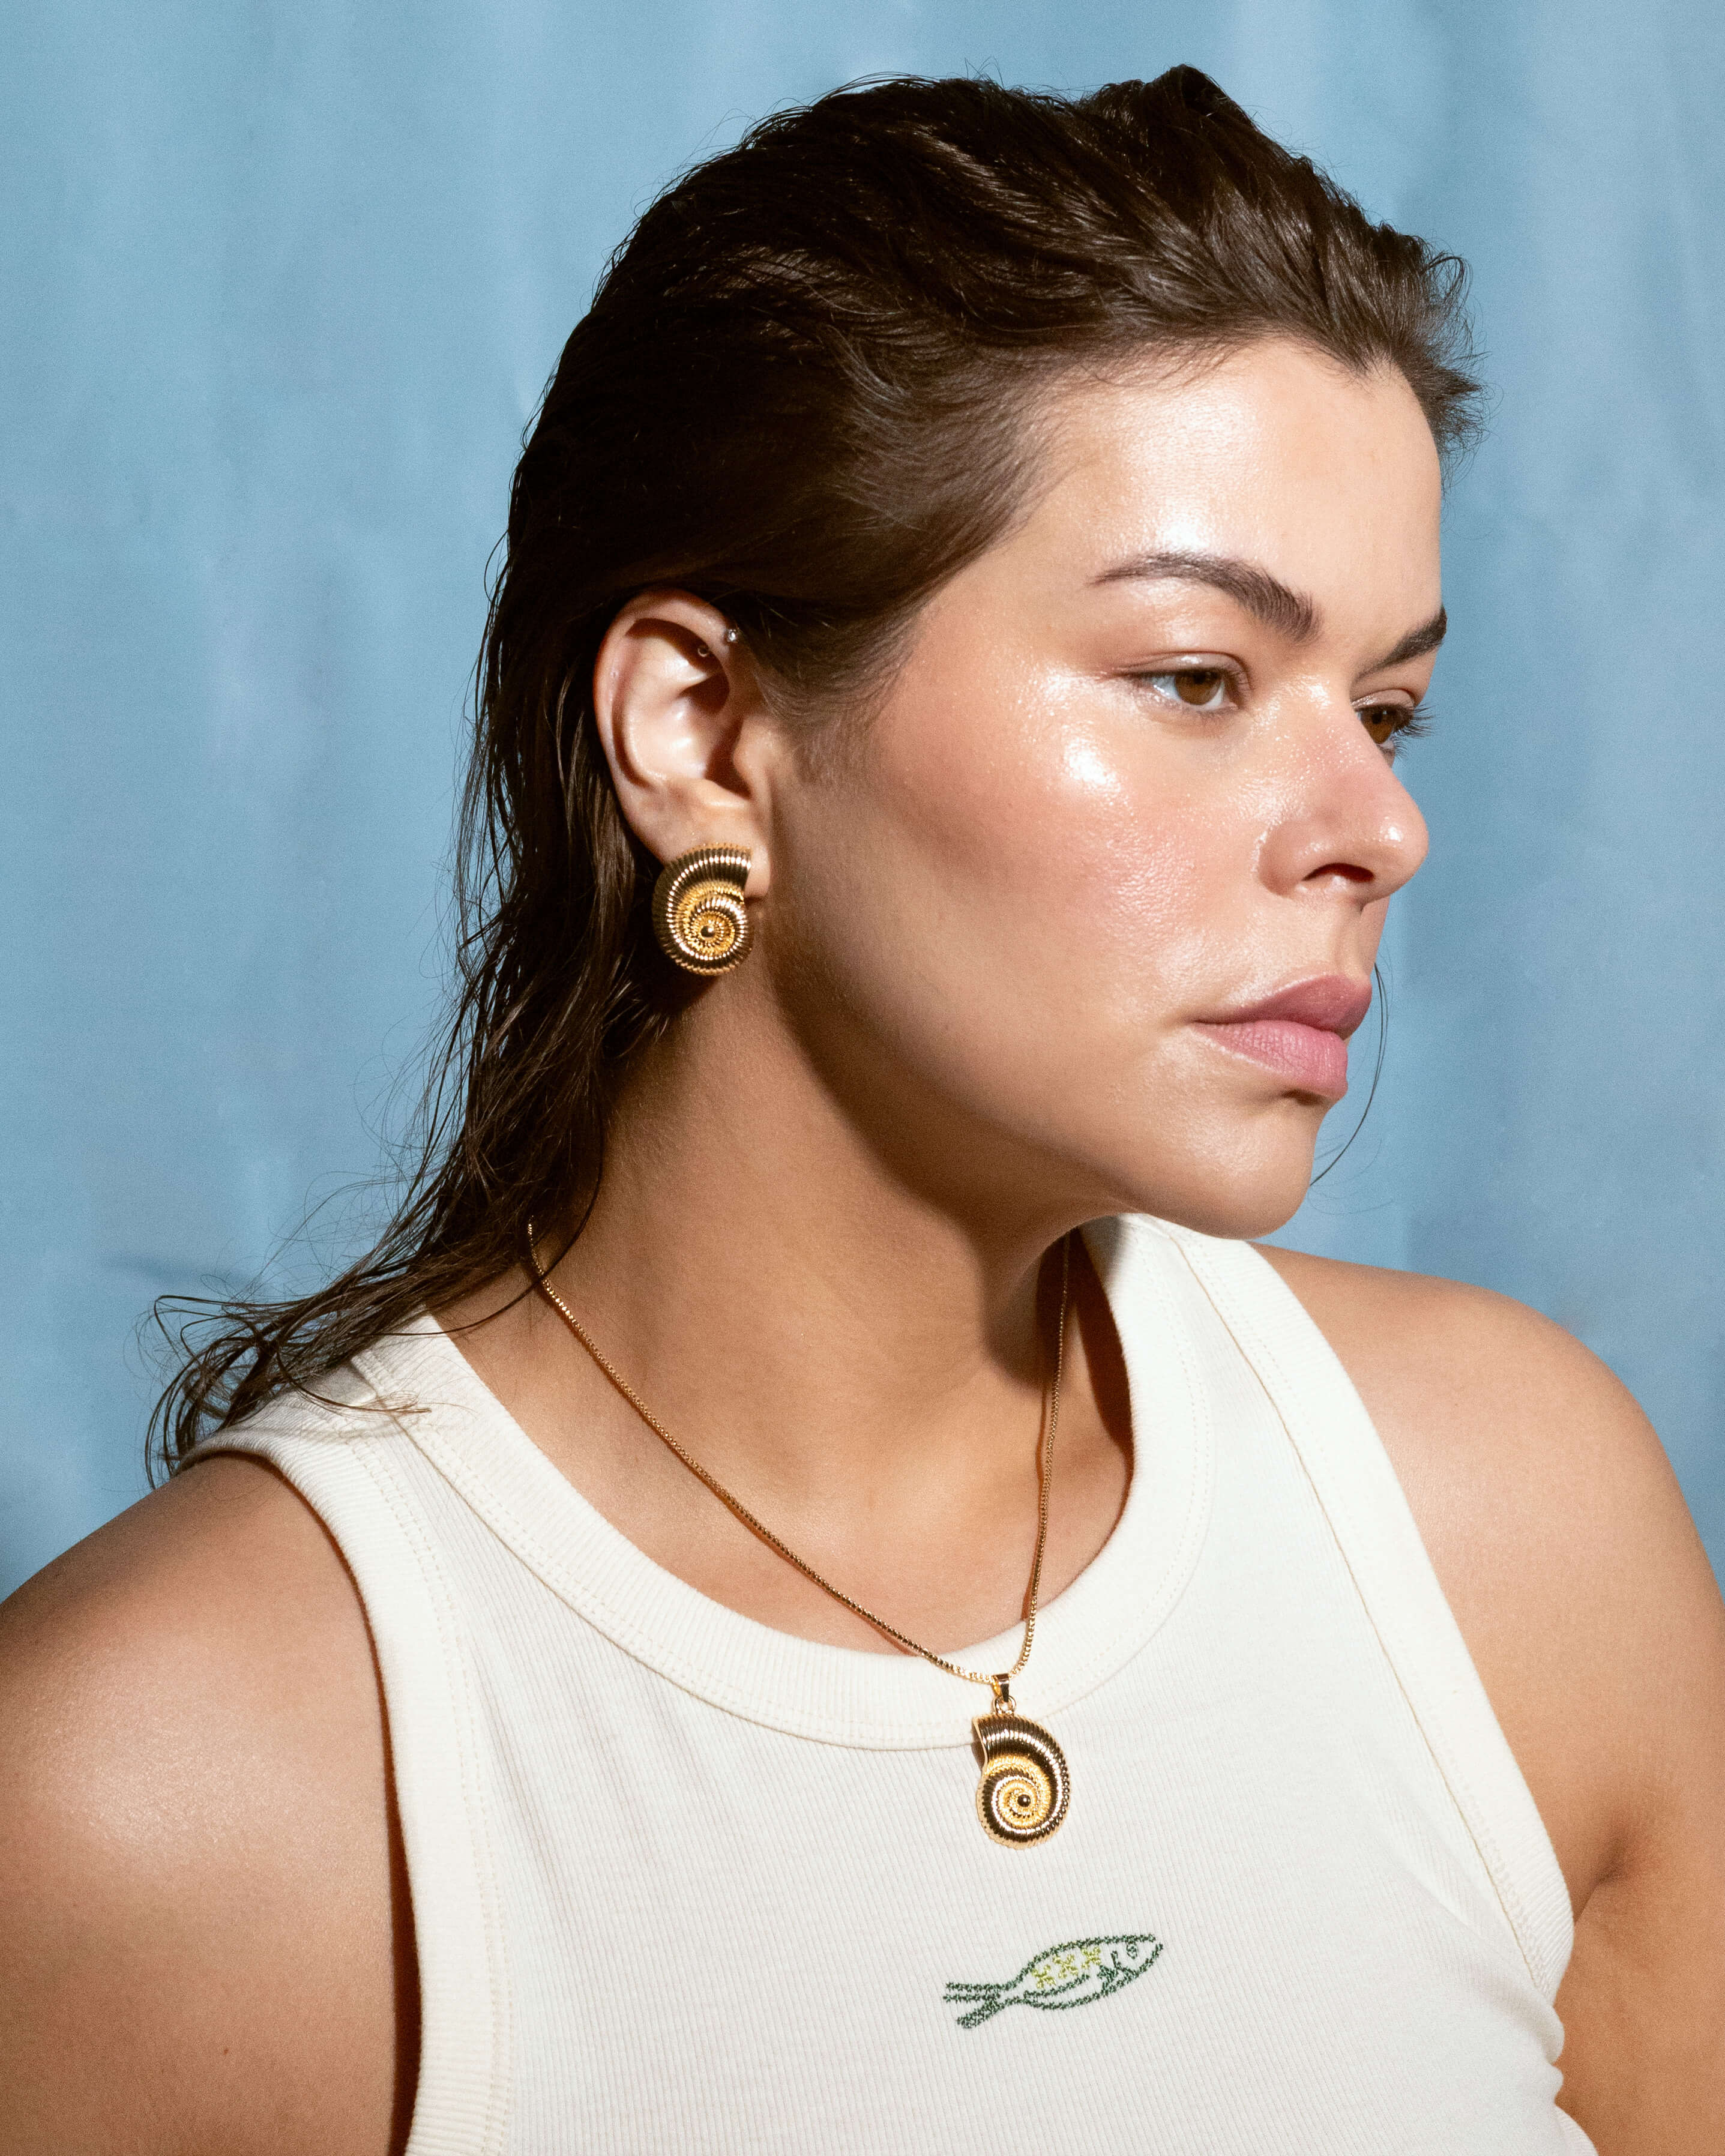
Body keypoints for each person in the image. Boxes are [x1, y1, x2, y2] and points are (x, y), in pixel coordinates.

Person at [2, 65, 1721, 2156]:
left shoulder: (1513, 1527)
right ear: (704, 733)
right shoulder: (164, 1789)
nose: (1377, 825)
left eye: (1384, 709)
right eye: (1194, 678)